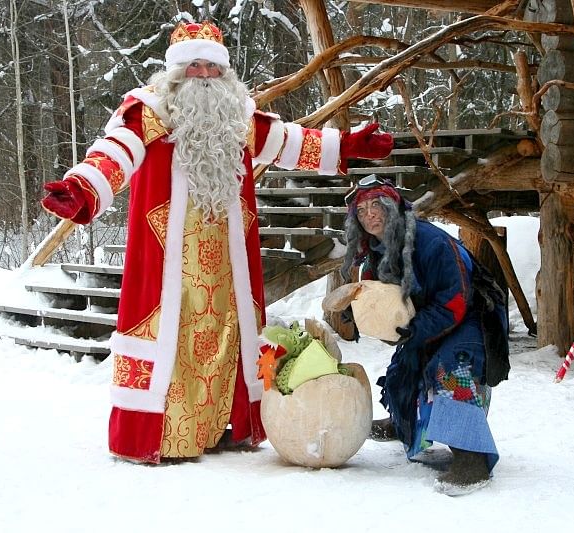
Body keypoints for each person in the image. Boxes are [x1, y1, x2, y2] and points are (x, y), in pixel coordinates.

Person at [41, 21, 393, 464]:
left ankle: (223, 426)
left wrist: (347, 146)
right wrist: (83, 187)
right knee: (174, 341)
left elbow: (286, 140)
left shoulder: (237, 116)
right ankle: (162, 437)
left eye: (211, 66)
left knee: (230, 341)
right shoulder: (147, 111)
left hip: (228, 262)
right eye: (194, 66)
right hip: (169, 260)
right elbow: (114, 151)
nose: (204, 75)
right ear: (175, 72)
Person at [340, 176, 509, 495]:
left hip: (468, 317)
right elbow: (382, 296)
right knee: (403, 368)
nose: (369, 215)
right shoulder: (376, 249)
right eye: (361, 211)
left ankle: (472, 457)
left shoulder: (431, 242)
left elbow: (455, 299)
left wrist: (417, 330)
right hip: (428, 318)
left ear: (392, 207)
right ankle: (405, 425)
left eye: (376, 205)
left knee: (449, 369)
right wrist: (363, 312)